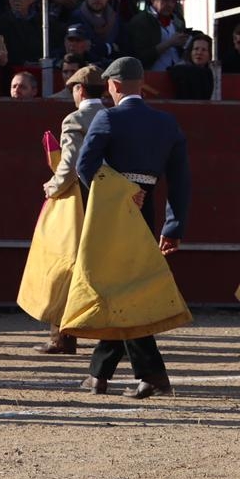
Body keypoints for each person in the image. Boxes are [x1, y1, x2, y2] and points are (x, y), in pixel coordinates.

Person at [76, 56, 191, 399]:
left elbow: (85, 166)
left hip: (115, 212)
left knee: (123, 290)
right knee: (124, 287)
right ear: (141, 84)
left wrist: (118, 193)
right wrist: (173, 226)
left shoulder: (108, 118)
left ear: (113, 85)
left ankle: (152, 375)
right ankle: (99, 373)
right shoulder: (166, 123)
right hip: (148, 208)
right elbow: (181, 181)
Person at [36, 65, 108, 355]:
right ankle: (116, 337)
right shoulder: (112, 115)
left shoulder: (75, 119)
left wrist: (52, 187)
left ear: (80, 90)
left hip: (79, 201)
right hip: (111, 199)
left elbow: (70, 167)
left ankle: (62, 337)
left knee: (67, 262)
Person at [122, 0, 187, 71]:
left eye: (173, 0)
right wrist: (169, 43)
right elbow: (140, 57)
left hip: (176, 74)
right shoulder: (141, 21)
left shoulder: (177, 21)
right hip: (152, 75)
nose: (170, 5)